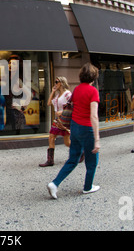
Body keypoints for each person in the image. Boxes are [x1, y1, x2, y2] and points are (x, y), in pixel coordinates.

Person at [47, 63, 101, 199]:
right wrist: (97, 139)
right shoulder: (93, 91)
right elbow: (94, 116)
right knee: (92, 160)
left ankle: (55, 183)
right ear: (93, 77)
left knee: (72, 159)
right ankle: (88, 187)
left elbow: (70, 107)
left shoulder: (76, 89)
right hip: (87, 129)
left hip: (75, 128)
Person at [39, 76, 72, 167]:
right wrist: (53, 92)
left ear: (61, 83)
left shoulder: (67, 94)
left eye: (56, 82)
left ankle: (81, 151)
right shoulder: (57, 96)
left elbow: (72, 106)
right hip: (57, 121)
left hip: (65, 120)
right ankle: (50, 160)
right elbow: (49, 103)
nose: (55, 84)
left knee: (67, 143)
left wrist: (62, 112)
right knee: (51, 137)